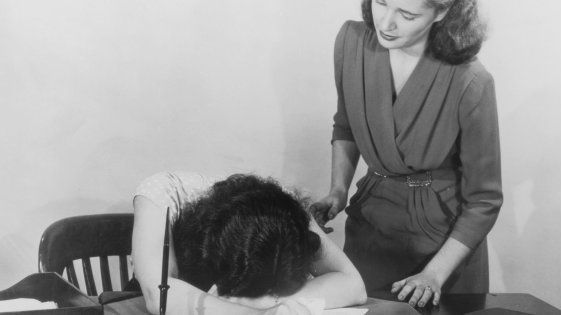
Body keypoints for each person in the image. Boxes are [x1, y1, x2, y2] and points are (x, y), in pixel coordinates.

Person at [310, 0, 502, 309]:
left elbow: (485, 200)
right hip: (372, 224)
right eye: (381, 3)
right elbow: (346, 124)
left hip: (442, 243)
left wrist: (434, 276)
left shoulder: (472, 80)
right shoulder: (352, 41)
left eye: (407, 14)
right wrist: (338, 190)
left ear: (442, 12)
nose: (386, 23)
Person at [132, 171, 367, 315]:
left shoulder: (285, 209)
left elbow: (353, 285)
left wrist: (266, 302)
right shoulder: (161, 194)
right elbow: (159, 296)